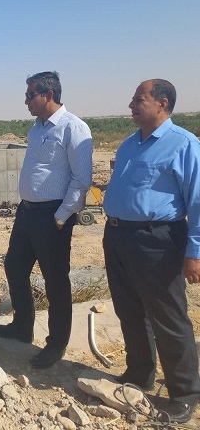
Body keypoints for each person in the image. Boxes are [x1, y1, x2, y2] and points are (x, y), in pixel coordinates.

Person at [103, 79, 200, 424]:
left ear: (162, 103)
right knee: (129, 309)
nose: (131, 105)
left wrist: (195, 252)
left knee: (168, 317)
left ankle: (184, 394)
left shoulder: (184, 144)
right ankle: (139, 373)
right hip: (117, 235)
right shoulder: (129, 144)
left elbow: (198, 201)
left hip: (157, 240)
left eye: (138, 99)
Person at [0, 71, 93, 368]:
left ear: (48, 95)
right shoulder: (36, 129)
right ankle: (23, 327)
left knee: (55, 280)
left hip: (52, 216)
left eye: (30, 95)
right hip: (27, 212)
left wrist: (61, 216)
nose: (26, 101)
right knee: (14, 266)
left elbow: (82, 178)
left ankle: (56, 344)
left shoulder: (73, 127)